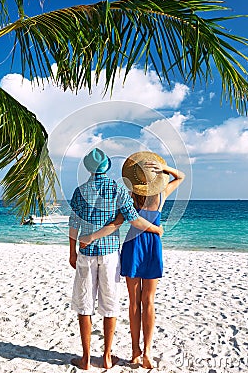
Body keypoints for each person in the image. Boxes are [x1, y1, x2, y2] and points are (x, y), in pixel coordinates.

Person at [80, 151, 185, 369]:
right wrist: (165, 170)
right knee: (148, 301)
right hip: (151, 246)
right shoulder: (161, 195)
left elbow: (116, 224)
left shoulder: (129, 197)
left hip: (133, 246)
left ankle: (137, 351)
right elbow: (180, 177)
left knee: (134, 302)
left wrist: (92, 236)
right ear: (155, 178)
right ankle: (145, 351)